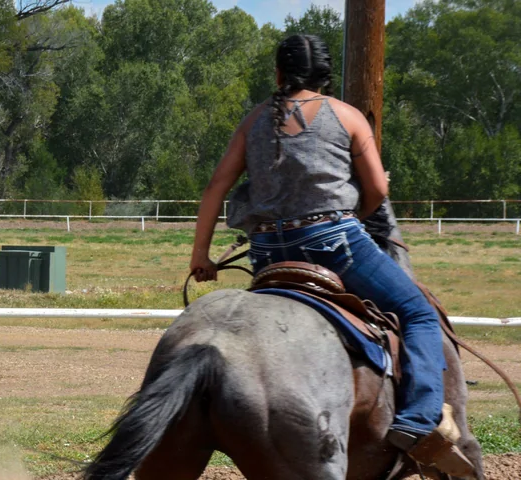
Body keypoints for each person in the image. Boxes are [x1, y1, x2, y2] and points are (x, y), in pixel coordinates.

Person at [188, 35, 470, 471]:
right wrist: (353, 216)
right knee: (417, 313)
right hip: (334, 244)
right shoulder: (347, 116)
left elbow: (215, 188)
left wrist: (201, 257)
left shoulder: (254, 121)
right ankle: (419, 420)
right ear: (323, 75)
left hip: (267, 253)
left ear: (279, 74)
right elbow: (377, 189)